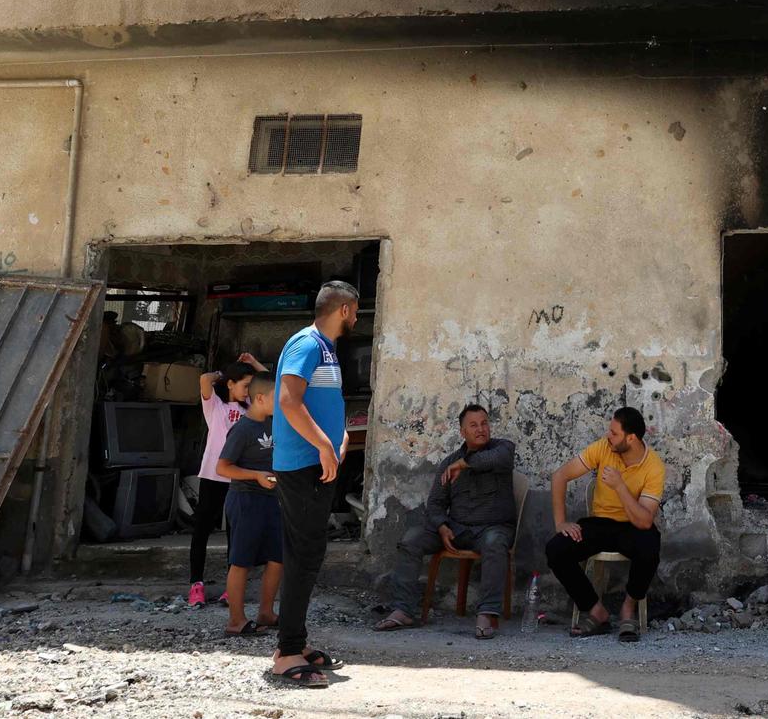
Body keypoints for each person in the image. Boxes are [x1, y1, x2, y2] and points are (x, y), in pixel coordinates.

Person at [269, 281, 359, 689]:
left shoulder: (326, 348)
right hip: (303, 465)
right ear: (343, 310)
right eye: (354, 311)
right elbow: (288, 400)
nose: (356, 318)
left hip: (318, 462)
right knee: (303, 555)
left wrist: (338, 439)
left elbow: (321, 404)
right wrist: (324, 444)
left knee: (308, 553)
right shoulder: (306, 344)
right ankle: (287, 653)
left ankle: (295, 643)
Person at [375, 404, 518, 639]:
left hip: (493, 528)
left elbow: (497, 458)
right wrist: (442, 526)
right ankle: (403, 610)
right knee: (412, 539)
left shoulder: (503, 450)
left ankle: (487, 613)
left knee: (495, 542)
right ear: (462, 432)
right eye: (473, 425)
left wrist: (464, 464)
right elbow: (435, 504)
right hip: (456, 529)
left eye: (484, 423)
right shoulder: (448, 462)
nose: (481, 429)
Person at [545, 406, 664, 643]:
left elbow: (643, 520)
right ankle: (596, 611)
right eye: (610, 431)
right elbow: (560, 476)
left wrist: (619, 486)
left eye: (615, 433)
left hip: (631, 525)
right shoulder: (603, 447)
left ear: (631, 438)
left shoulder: (653, 466)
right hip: (599, 523)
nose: (609, 436)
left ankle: (628, 610)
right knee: (556, 549)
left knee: (650, 546)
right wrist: (560, 522)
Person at [191, 352, 267, 607]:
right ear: (231, 385)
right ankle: (196, 584)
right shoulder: (215, 407)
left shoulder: (253, 410)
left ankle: (230, 588)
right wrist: (225, 374)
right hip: (213, 474)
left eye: (250, 385)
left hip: (237, 476)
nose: (248, 390)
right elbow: (204, 379)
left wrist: (254, 365)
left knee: (235, 533)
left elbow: (272, 384)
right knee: (202, 529)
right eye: (243, 385)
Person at [214, 374, 282, 637]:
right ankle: (236, 621)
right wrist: (255, 475)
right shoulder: (242, 429)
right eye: (277, 397)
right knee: (241, 560)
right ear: (261, 398)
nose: (283, 401)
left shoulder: (276, 423)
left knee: (278, 558)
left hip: (273, 499)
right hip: (245, 499)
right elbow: (222, 467)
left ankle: (266, 612)